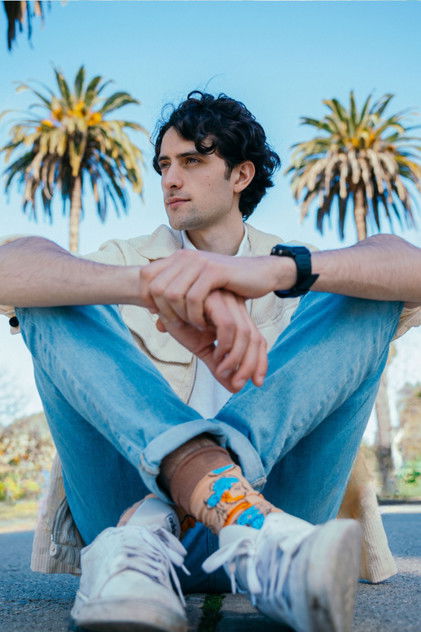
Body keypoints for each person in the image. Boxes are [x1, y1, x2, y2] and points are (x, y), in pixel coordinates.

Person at [1, 91, 420, 632]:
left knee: (363, 288)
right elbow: (13, 266)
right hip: (134, 523)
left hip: (281, 517)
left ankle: (257, 533)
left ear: (241, 174)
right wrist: (153, 286)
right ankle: (216, 509)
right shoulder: (126, 258)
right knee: (53, 292)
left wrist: (276, 273)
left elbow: (405, 264)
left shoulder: (290, 264)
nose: (170, 179)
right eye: (164, 165)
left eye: (192, 161)